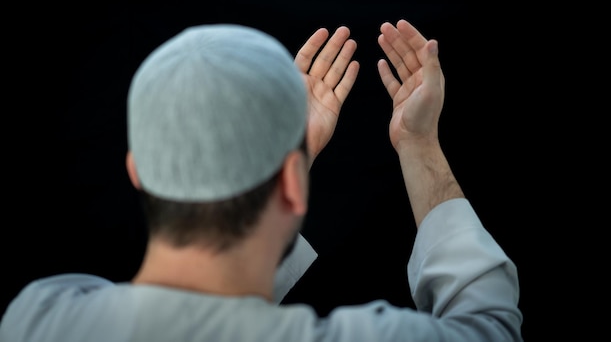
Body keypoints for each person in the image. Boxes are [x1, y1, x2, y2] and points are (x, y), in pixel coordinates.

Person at [0, 19, 523, 341]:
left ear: (137, 173)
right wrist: (419, 144)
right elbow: (491, 328)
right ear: (293, 186)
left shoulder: (37, 319)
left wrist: (289, 160)